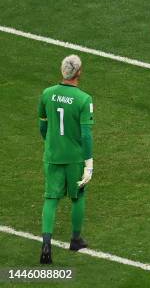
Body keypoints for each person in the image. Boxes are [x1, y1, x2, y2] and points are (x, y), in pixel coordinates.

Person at [38, 55, 94, 264]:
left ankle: (46, 245)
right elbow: (86, 135)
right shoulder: (83, 99)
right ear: (78, 72)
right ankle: (75, 239)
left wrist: (52, 144)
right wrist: (88, 164)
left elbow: (42, 126)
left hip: (52, 156)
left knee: (51, 199)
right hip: (75, 158)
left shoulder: (47, 94)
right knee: (78, 197)